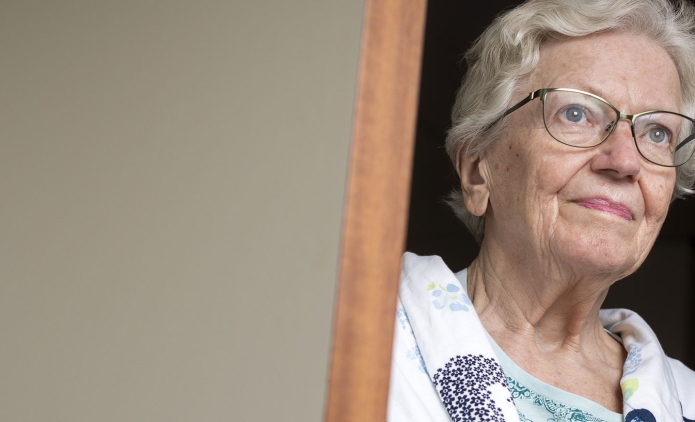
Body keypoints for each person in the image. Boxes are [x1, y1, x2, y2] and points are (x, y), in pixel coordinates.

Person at [387, 0, 695, 421]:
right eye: (576, 113)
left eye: (657, 132)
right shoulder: (365, 337)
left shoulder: (688, 397)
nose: (625, 161)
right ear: (479, 172)